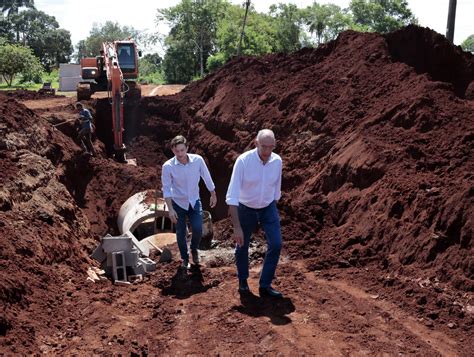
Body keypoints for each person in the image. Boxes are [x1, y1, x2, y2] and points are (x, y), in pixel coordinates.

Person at [226, 129, 284, 298]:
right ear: (256, 143)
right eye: (264, 147)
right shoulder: (243, 162)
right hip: (246, 208)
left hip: (268, 207)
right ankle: (243, 280)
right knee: (242, 245)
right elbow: (232, 196)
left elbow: (276, 188)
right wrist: (236, 227)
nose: (267, 151)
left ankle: (265, 284)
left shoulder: (277, 161)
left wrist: (272, 207)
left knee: (276, 244)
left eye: (271, 147)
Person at [161, 135, 217, 269]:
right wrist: (170, 209)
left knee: (197, 228)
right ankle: (185, 258)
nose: (180, 154)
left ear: (187, 148)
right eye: (176, 151)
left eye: (182, 150)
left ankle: (194, 249)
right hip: (178, 203)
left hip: (194, 201)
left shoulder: (197, 161)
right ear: (173, 151)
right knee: (180, 232)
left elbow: (206, 176)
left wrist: (213, 193)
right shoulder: (168, 166)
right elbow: (167, 188)